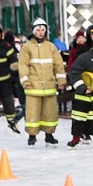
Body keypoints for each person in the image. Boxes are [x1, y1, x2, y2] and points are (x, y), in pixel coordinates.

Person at [18, 17, 66, 147]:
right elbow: (22, 65)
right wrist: (25, 81)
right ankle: (32, 135)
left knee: (50, 113)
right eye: (38, 30)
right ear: (34, 31)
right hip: (33, 86)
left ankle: (49, 135)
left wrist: (61, 80)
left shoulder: (51, 47)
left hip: (49, 86)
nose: (40, 32)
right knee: (32, 112)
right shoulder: (27, 47)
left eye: (43, 30)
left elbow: (58, 65)